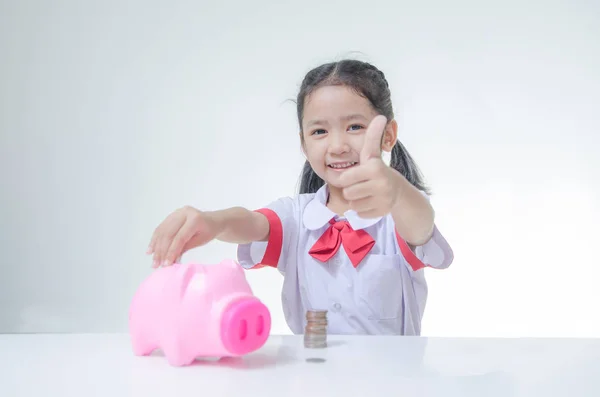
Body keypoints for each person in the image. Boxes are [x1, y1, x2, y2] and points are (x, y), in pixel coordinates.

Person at [146, 59, 454, 335]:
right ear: (303, 144)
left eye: (355, 127)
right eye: (319, 131)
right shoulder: (296, 218)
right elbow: (252, 222)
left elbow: (421, 224)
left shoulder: (399, 211)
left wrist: (398, 191)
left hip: (391, 382)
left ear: (388, 135)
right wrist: (212, 221)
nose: (337, 145)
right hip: (312, 376)